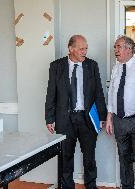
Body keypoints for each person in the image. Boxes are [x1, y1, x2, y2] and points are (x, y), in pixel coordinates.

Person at [45, 35, 107, 189]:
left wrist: (102, 116)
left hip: (87, 119)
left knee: (89, 158)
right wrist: (49, 118)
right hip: (64, 119)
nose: (84, 51)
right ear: (71, 49)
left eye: (86, 48)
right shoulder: (56, 66)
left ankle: (91, 186)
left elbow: (99, 92)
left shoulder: (92, 65)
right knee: (65, 157)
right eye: (81, 49)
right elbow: (51, 93)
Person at [106, 35, 135, 189]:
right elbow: (112, 92)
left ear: (128, 49)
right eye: (115, 47)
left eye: (118, 47)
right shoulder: (116, 67)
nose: (115, 50)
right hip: (119, 121)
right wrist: (109, 117)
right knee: (123, 159)